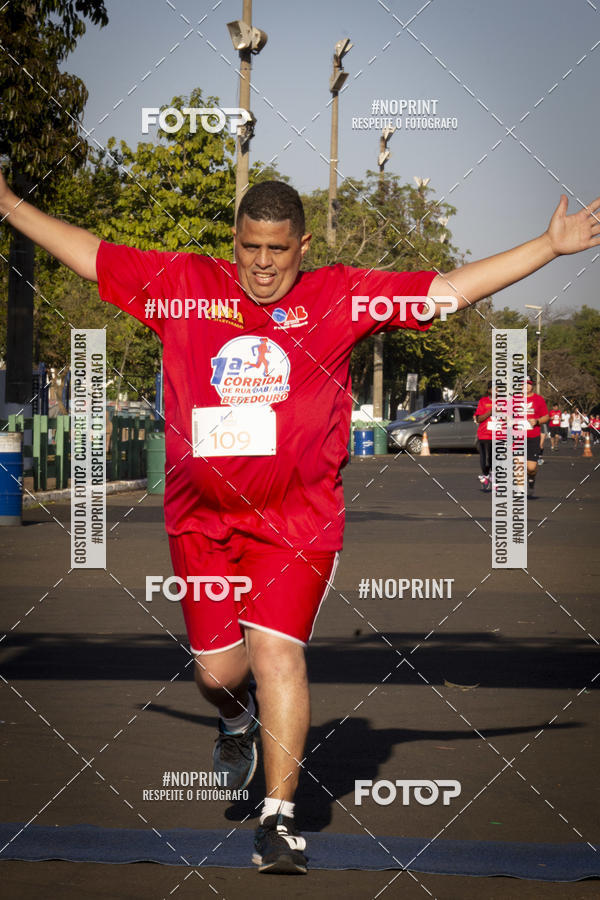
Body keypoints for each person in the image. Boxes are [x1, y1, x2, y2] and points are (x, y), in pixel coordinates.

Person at [1, 169, 598, 875]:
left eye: (277, 250)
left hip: (297, 522)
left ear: (302, 246)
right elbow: (91, 252)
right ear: (235, 241)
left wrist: (547, 246)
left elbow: (451, 289)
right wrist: (9, 205)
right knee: (218, 673)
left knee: (279, 655)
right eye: (250, 247)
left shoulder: (341, 294)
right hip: (200, 521)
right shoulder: (184, 284)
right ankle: (233, 721)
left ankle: (278, 821)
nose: (261, 263)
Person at [523, 376, 550, 497]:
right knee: (516, 465)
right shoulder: (513, 400)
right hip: (517, 437)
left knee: (531, 468)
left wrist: (537, 421)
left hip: (533, 437)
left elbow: (546, 417)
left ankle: (531, 479)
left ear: (532, 385)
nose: (526, 386)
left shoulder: (539, 400)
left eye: (528, 383)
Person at [474, 380, 496, 490]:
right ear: (489, 390)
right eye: (493, 388)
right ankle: (486, 475)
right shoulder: (483, 401)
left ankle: (494, 479)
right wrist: (490, 412)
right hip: (484, 435)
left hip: (499, 436)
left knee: (494, 460)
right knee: (484, 462)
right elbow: (478, 418)